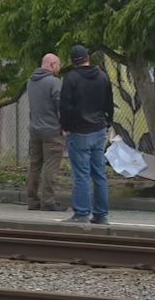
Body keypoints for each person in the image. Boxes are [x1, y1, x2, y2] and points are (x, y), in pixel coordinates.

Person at [60, 44, 114, 224]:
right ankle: (101, 214)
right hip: (99, 129)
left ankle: (82, 213)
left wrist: (65, 126)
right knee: (99, 173)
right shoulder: (102, 76)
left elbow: (65, 106)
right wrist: (108, 122)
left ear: (72, 61)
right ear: (87, 58)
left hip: (79, 130)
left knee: (81, 173)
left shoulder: (71, 78)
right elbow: (109, 102)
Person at [26, 53, 66, 211]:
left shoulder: (30, 82)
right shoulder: (54, 82)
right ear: (52, 65)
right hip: (52, 131)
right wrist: (64, 126)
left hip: (35, 129)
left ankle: (32, 199)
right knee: (50, 166)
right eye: (58, 64)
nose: (59, 68)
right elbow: (60, 106)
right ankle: (48, 201)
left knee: (34, 165)